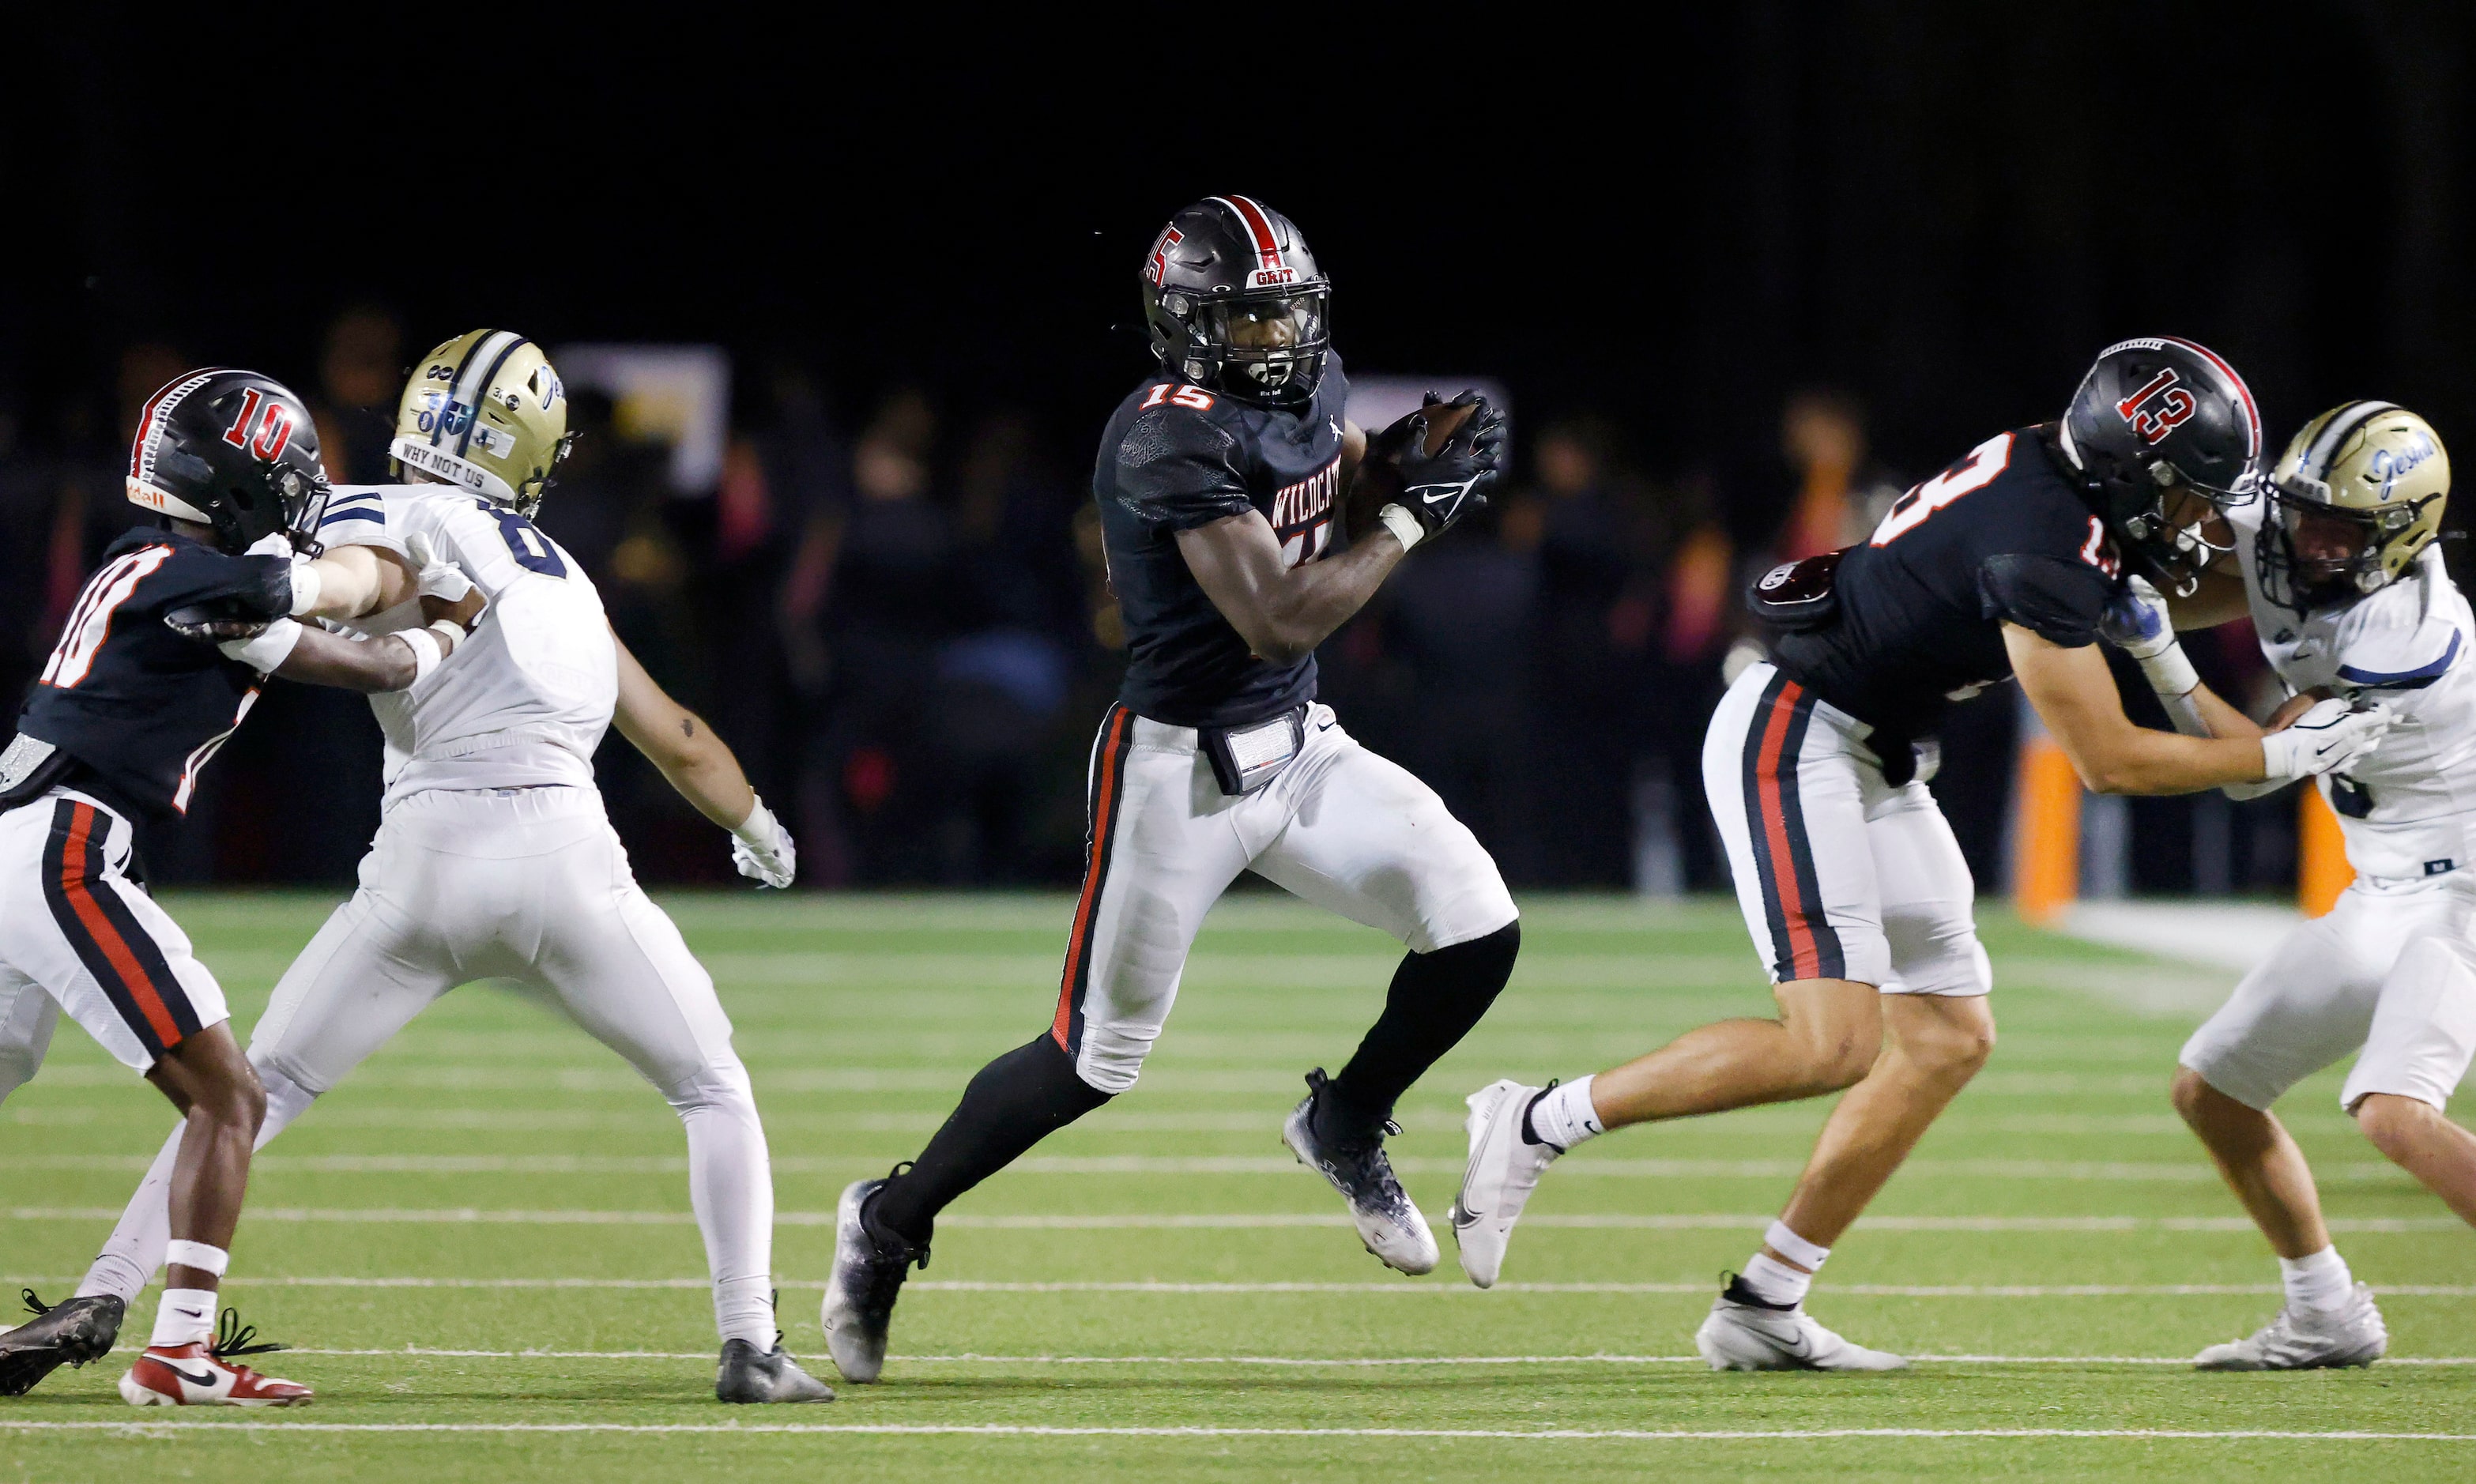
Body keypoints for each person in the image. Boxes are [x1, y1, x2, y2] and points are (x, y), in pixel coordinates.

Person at [1449, 337, 2394, 1370]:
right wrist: (2279, 747)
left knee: (1945, 1036)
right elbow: (2107, 758)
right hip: (1796, 737)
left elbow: (2162, 579)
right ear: (2132, 475)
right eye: (2187, 497)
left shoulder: (2068, 476)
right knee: (1831, 1043)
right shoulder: (2042, 538)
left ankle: (1764, 1301)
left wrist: (2303, 592)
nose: (2200, 521)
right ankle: (1537, 1117)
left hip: (1874, 748)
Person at [32, 331, 832, 1405]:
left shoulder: (360, 507)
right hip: (567, 863)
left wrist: (303, 587)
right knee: (710, 1085)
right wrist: (758, 826)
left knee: (252, 1091)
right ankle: (750, 1342)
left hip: (420, 867)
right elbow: (677, 735)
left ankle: (107, 1290)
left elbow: (353, 570)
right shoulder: (566, 575)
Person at [818, 195, 1515, 1384]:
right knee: (1093, 1060)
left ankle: (1342, 1119)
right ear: (1187, 327)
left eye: (1288, 315)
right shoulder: (1161, 435)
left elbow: (1326, 492)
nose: (1279, 341)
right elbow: (1274, 610)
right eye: (1250, 323)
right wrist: (1408, 516)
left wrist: (1389, 467)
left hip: (1299, 743)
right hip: (1177, 768)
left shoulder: (1310, 384)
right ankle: (888, 1219)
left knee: (1476, 926)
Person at [0, 369, 481, 1404]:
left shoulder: (177, 577)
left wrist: (439, 632)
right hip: (60, 847)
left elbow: (369, 665)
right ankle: (178, 1352)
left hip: (29, 838)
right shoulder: (183, 573)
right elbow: (307, 597)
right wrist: (432, 592)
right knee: (230, 1094)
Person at [2110, 401, 2474, 1369]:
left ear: (2399, 538)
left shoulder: (2409, 632)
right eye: (2302, 514)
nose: (2307, 541)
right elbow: (2193, 548)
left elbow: (2248, 767)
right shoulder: (2286, 525)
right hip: (2384, 886)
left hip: (2464, 895)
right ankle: (2325, 1312)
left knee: (2393, 1112)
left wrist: (2152, 648)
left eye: (2338, 530)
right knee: (2212, 1091)